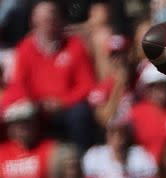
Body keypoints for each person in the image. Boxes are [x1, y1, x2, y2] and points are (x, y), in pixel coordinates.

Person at [2, 1, 96, 151]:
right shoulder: (25, 48)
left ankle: (83, 157)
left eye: (52, 17)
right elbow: (19, 84)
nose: (48, 22)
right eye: (44, 19)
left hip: (67, 107)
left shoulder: (74, 45)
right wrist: (38, 103)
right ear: (34, 21)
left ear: (59, 19)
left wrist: (63, 102)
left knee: (81, 113)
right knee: (18, 114)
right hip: (36, 106)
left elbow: (87, 84)